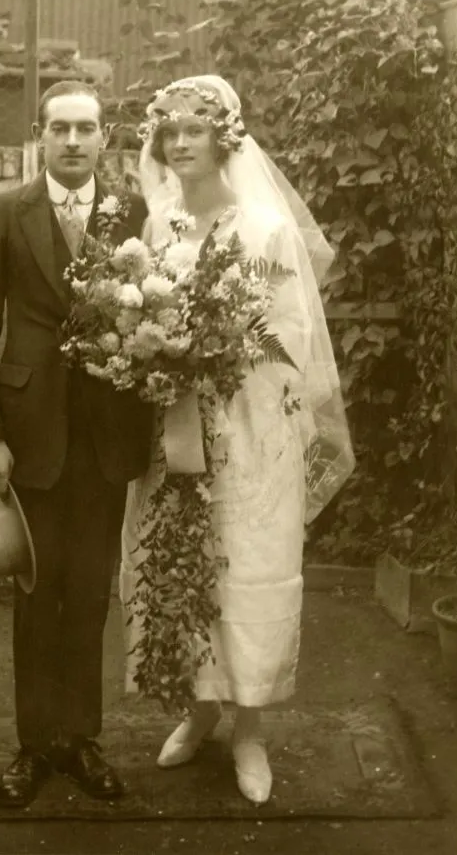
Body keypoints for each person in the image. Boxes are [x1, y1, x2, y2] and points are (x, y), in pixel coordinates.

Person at [120, 75, 355, 804]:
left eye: (195, 129)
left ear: (225, 138)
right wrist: (154, 357)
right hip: (173, 424)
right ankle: (198, 711)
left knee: (247, 567)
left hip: (250, 431)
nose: (181, 142)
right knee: (180, 565)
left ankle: (248, 727)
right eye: (171, 132)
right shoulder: (159, 225)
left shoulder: (266, 228)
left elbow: (289, 335)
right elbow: (133, 316)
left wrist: (219, 356)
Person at [0, 80, 152, 808]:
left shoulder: (129, 210)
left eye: (87, 129)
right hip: (31, 436)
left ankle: (81, 740)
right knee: (37, 598)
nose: (74, 142)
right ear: (40, 136)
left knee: (89, 595)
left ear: (106, 138)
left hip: (106, 438)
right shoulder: (5, 212)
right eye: (60, 129)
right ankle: (33, 748)